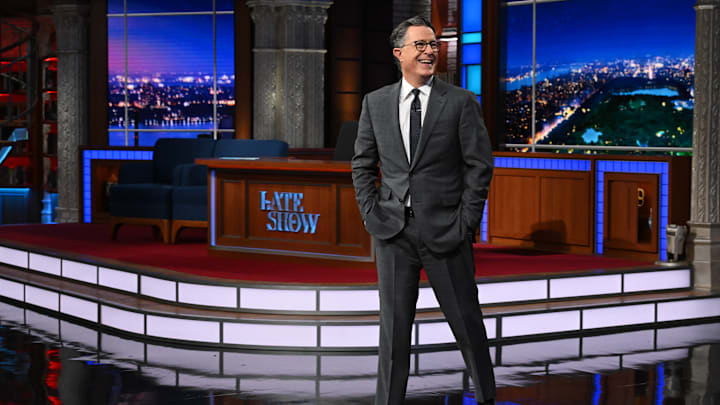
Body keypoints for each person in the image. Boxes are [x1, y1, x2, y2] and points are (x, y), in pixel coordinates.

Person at [351, 16, 496, 405]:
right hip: (393, 232)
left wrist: (465, 223)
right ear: (399, 53)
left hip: (447, 231)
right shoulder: (375, 103)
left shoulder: (461, 102)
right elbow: (362, 165)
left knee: (467, 325)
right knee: (394, 335)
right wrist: (371, 213)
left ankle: (487, 398)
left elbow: (479, 167)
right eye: (421, 44)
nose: (430, 51)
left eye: (434, 45)